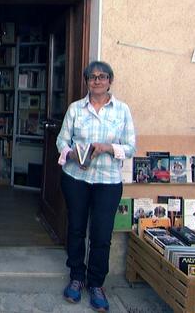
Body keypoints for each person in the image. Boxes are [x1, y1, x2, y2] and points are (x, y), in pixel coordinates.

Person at [56, 61, 136, 312]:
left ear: (110, 81)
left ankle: (96, 284)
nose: (97, 81)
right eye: (92, 77)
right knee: (77, 230)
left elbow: (131, 147)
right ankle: (77, 278)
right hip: (76, 179)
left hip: (108, 182)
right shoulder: (75, 109)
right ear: (87, 82)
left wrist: (108, 148)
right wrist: (71, 155)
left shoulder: (122, 110)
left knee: (101, 235)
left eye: (102, 77)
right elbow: (62, 140)